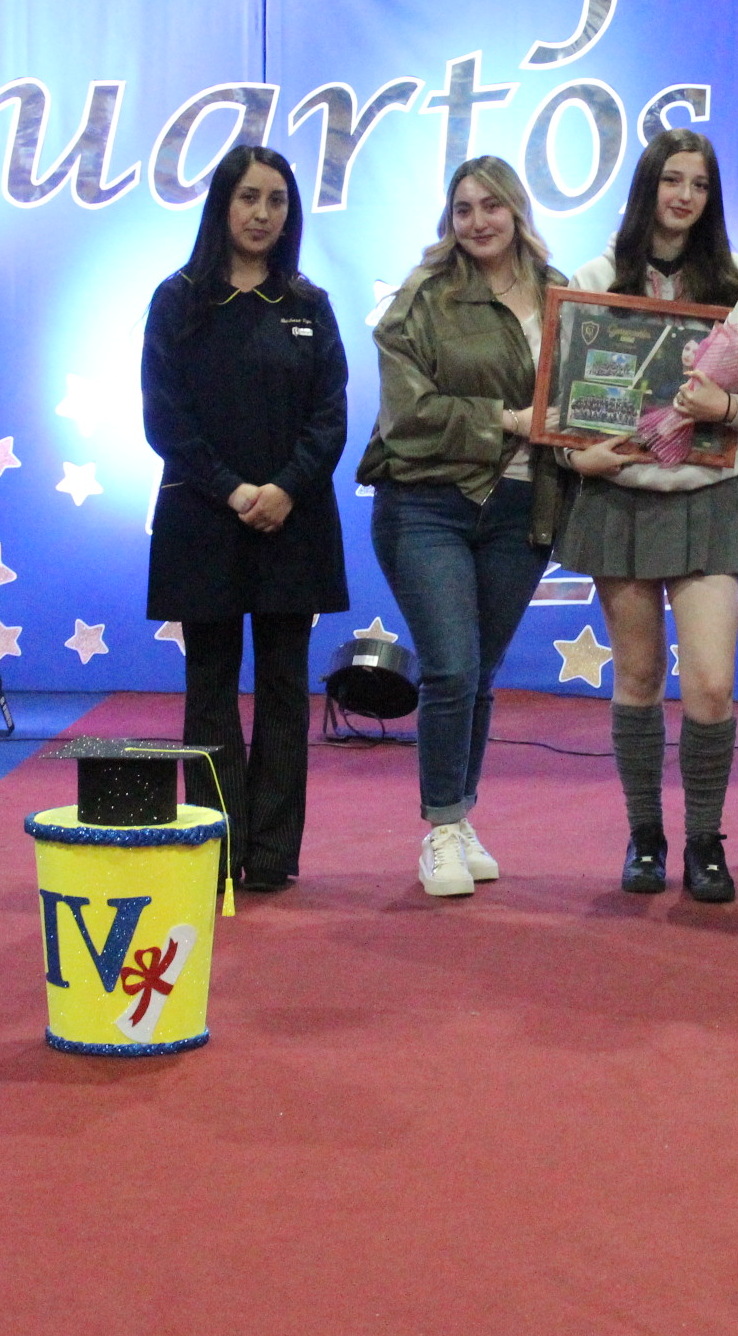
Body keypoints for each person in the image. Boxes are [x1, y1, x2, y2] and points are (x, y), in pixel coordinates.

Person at [557, 130, 738, 906]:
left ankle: (705, 840)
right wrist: (575, 457)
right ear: (647, 185)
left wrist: (728, 407)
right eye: (672, 180)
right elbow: (562, 402)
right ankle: (645, 835)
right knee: (641, 676)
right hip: (621, 497)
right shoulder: (595, 279)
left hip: (710, 494)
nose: (685, 196)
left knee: (712, 685)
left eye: (700, 184)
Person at [355, 156, 573, 899]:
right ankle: (441, 828)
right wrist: (507, 420)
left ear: (517, 210)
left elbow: (587, 395)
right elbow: (407, 417)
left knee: (479, 673)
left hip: (522, 509)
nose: (478, 221)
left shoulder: (562, 293)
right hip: (427, 506)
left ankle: (461, 814)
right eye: (463, 208)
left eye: (491, 205)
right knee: (450, 667)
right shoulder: (422, 297)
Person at [141, 145, 347, 891]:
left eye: (277, 201)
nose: (263, 214)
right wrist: (232, 491)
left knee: (286, 689)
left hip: (294, 523)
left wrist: (285, 489)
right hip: (204, 521)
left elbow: (330, 418)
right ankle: (217, 850)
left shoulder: (309, 304)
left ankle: (273, 856)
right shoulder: (178, 300)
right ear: (222, 205)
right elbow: (165, 418)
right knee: (211, 688)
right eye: (249, 198)